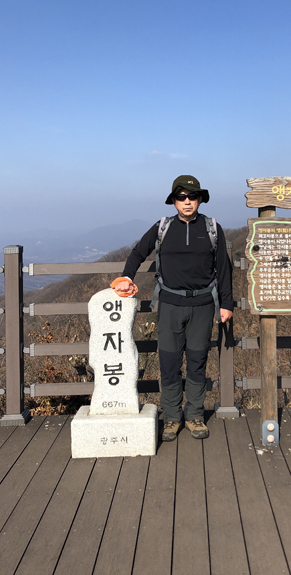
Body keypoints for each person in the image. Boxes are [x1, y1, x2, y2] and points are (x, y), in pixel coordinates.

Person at [111, 175, 233, 441]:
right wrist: (127, 277)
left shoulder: (212, 228)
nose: (187, 202)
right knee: (169, 362)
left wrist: (226, 304)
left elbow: (224, 268)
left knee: (198, 362)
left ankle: (195, 415)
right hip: (169, 304)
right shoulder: (162, 227)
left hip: (203, 304)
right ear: (174, 201)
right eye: (181, 197)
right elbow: (137, 253)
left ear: (200, 199)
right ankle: (171, 418)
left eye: (192, 197)